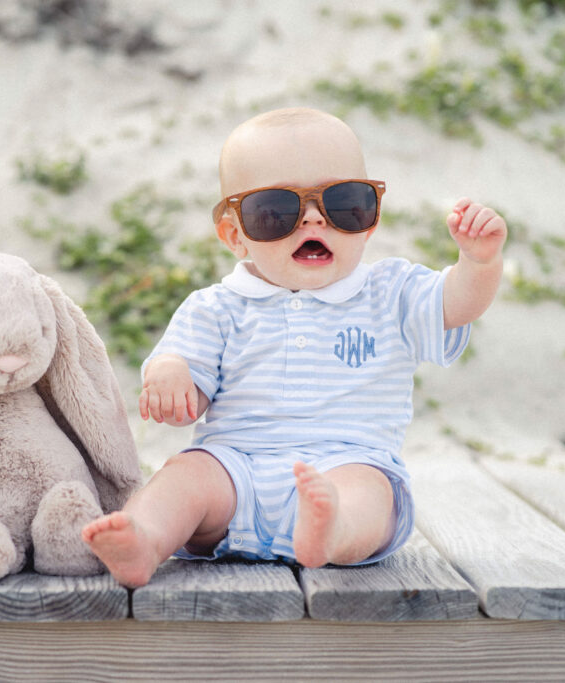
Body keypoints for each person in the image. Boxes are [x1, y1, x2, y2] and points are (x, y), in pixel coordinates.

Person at [81, 107, 507, 588]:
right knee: (185, 476)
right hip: (234, 469)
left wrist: (478, 262)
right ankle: (145, 537)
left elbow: (458, 305)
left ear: (370, 220)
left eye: (344, 203)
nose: (312, 220)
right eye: (275, 212)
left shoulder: (392, 293)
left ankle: (331, 531)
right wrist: (171, 375)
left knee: (370, 494)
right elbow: (187, 397)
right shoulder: (217, 308)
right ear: (235, 235)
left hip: (346, 461)